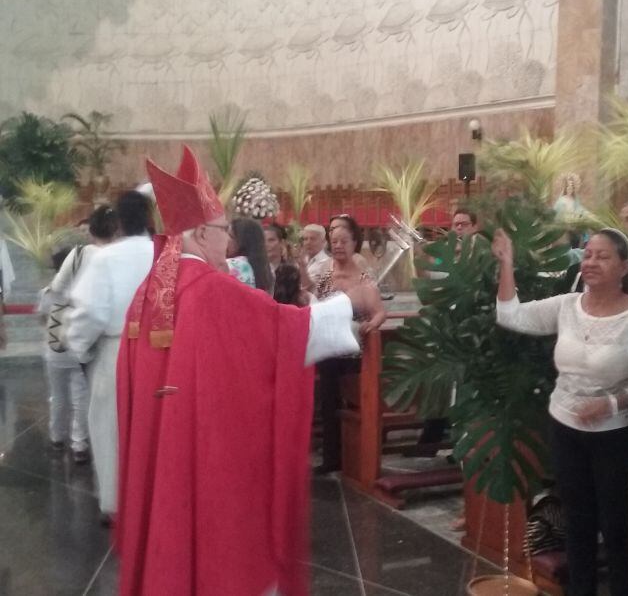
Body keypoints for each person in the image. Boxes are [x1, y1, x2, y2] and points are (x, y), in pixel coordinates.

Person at [115, 146, 379, 596]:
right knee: (222, 551)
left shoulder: (154, 288)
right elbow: (286, 335)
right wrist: (354, 301)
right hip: (208, 454)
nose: (230, 243)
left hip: (168, 446)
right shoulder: (209, 289)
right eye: (223, 232)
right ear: (200, 232)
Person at [493, 227, 628, 596]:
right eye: (587, 254)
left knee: (616, 526)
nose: (591, 262)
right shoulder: (566, 306)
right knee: (577, 523)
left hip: (618, 433)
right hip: (565, 428)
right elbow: (510, 315)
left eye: (602, 256)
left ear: (624, 265)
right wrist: (507, 264)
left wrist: (612, 403)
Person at [67, 191, 154, 522]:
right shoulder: (165, 256)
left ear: (118, 222)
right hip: (161, 349)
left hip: (116, 349)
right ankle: (154, 498)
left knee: (109, 424)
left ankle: (116, 503)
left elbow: (89, 312)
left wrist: (80, 346)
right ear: (149, 218)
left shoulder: (105, 259)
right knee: (155, 425)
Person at [40, 206, 118, 464]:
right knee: (82, 395)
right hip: (96, 336)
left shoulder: (79, 254)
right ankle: (80, 444)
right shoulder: (115, 256)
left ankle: (56, 438)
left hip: (60, 337)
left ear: (91, 230)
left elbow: (55, 290)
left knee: (59, 395)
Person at [314, 219, 386, 474]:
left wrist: (372, 325)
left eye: (344, 241)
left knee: (354, 402)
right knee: (329, 403)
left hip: (355, 350)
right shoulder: (324, 277)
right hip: (329, 349)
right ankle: (332, 458)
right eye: (334, 242)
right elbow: (314, 308)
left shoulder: (364, 278)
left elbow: (379, 312)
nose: (339, 246)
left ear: (355, 243)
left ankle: (356, 457)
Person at [226, 217, 273, 292]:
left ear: (242, 241)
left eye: (230, 236)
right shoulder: (268, 269)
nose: (226, 239)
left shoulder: (231, 265)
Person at [301, 223, 330, 288]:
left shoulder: (327, 263)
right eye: (306, 239)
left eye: (313, 239)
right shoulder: (302, 260)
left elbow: (310, 289)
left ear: (323, 242)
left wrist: (302, 268)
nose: (308, 242)